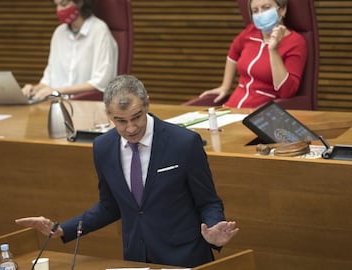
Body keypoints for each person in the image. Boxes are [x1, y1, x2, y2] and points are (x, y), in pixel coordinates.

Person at [16, 75, 239, 268]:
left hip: (185, 258)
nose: (131, 128)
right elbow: (109, 206)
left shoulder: (184, 143)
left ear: (147, 105)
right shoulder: (103, 147)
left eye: (136, 117)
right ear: (108, 114)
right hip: (136, 259)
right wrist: (62, 229)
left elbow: (208, 201)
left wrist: (213, 229)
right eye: (120, 121)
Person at [198, 0, 306, 108]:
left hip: (261, 113)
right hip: (231, 108)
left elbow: (287, 93)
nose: (261, 14)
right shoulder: (250, 31)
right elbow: (233, 53)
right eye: (255, 11)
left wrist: (273, 50)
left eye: (266, 8)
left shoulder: (295, 42)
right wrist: (225, 87)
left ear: (282, 10)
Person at [22, 0, 118, 100]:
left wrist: (58, 91)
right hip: (57, 104)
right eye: (57, 5)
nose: (59, 10)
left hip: (86, 106)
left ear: (80, 3)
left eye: (63, 4)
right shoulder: (59, 33)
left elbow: (101, 82)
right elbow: (49, 79)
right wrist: (34, 89)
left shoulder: (99, 30)